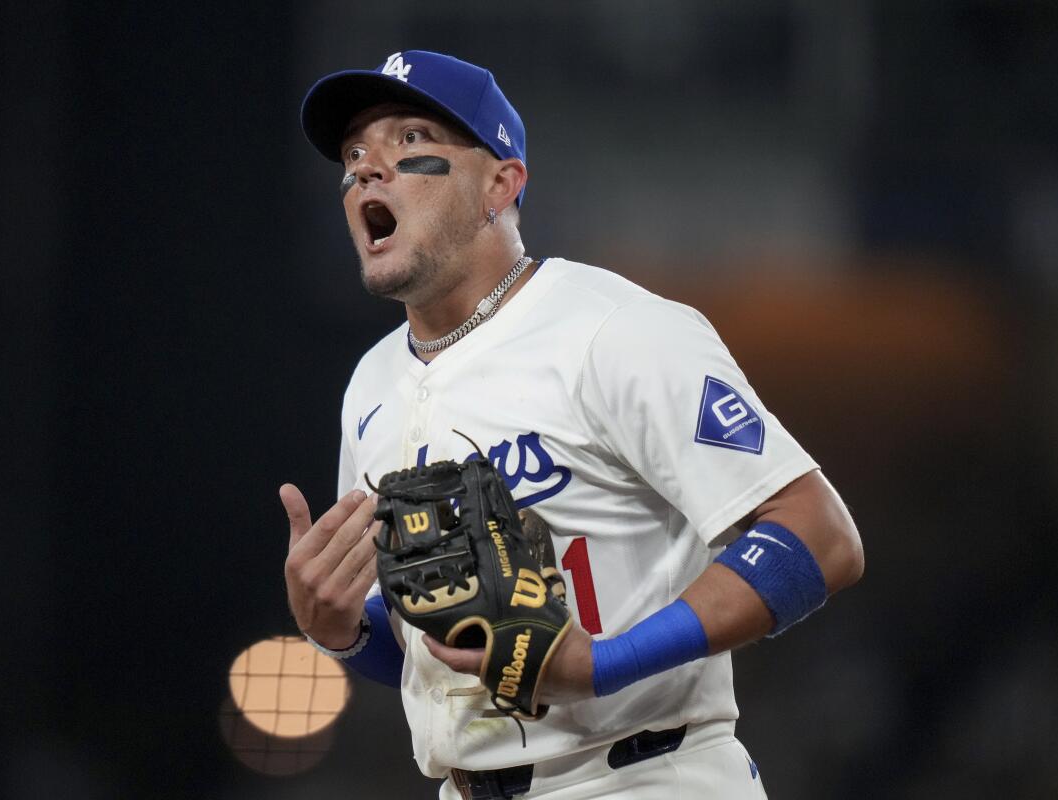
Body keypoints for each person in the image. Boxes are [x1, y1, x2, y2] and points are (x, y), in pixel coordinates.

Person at [281, 50, 863, 800]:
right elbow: (445, 657)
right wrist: (343, 631)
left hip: (645, 777)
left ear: (502, 183)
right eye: (354, 155)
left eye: (412, 142)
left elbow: (821, 535)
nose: (368, 168)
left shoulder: (614, 330)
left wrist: (603, 663)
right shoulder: (371, 384)